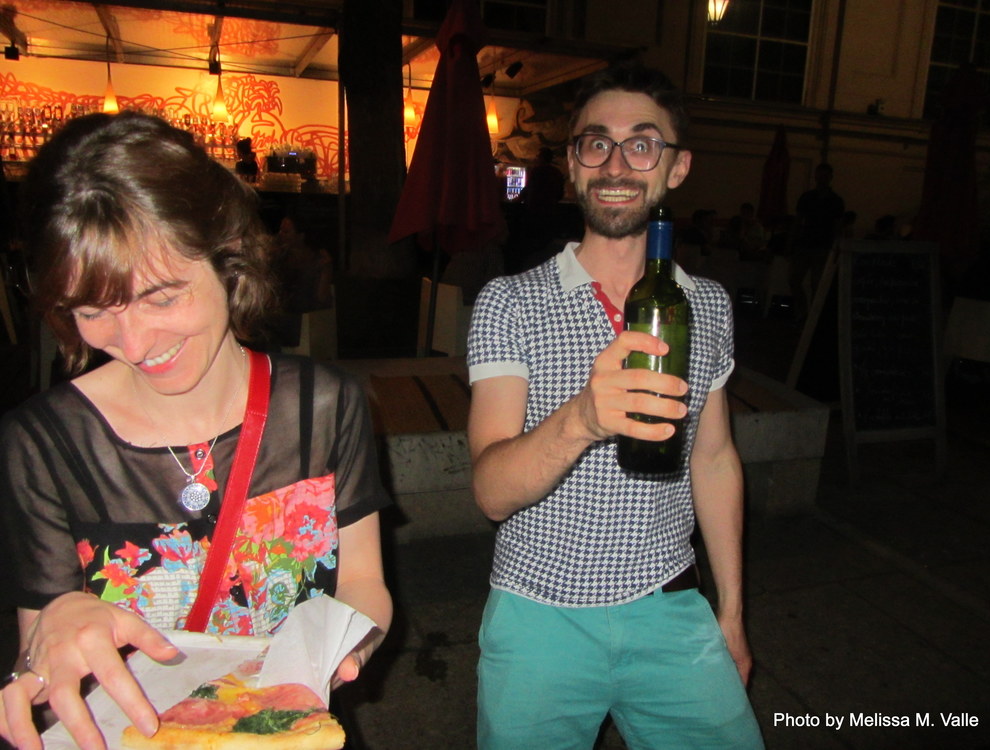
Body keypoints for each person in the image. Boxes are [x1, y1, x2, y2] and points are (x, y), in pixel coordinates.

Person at [0, 112, 392, 750]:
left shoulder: (327, 404)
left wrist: (345, 649)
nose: (133, 343)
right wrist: (42, 652)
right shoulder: (41, 444)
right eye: (93, 310)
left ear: (227, 258)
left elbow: (363, 583)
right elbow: (44, 648)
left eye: (160, 297)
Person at [467, 62, 764, 749]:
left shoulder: (706, 305)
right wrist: (584, 418)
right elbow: (488, 491)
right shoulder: (511, 303)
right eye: (595, 143)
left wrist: (733, 615)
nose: (617, 163)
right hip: (538, 615)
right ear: (572, 164)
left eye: (642, 143)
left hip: (670, 604)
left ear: (677, 167)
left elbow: (715, 461)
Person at [789, 162, 845, 318]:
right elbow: (798, 220)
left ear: (830, 178)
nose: (822, 179)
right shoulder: (807, 197)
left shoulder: (836, 201)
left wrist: (836, 247)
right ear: (816, 177)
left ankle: (811, 318)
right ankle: (804, 313)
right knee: (794, 280)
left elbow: (838, 226)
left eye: (825, 176)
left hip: (823, 246)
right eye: (820, 176)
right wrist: (791, 242)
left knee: (817, 284)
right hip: (805, 244)